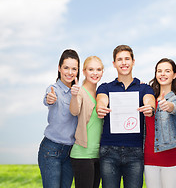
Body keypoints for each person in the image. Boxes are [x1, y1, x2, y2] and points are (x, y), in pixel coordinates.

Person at [96, 45, 155, 188]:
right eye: (119, 59)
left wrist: (150, 107)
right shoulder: (105, 87)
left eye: (127, 59)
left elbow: (149, 100)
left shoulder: (144, 88)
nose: (124, 63)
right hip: (109, 151)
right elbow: (101, 100)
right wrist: (101, 107)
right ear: (114, 63)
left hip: (135, 152)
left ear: (133, 61)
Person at [38, 49, 80, 188]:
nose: (70, 72)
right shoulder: (53, 89)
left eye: (74, 68)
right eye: (66, 67)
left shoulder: (78, 92)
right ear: (59, 68)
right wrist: (50, 99)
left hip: (70, 152)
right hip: (51, 150)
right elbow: (48, 99)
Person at [144, 58, 176, 188]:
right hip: (149, 159)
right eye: (159, 71)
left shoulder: (175, 100)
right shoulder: (148, 99)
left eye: (167, 71)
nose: (163, 74)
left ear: (174, 75)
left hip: (171, 159)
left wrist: (169, 106)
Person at [69, 56, 104, 188]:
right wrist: (73, 95)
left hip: (98, 154)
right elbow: (74, 110)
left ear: (102, 72)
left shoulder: (101, 94)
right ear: (84, 71)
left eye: (98, 69)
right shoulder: (80, 92)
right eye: (91, 69)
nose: (95, 73)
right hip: (82, 154)